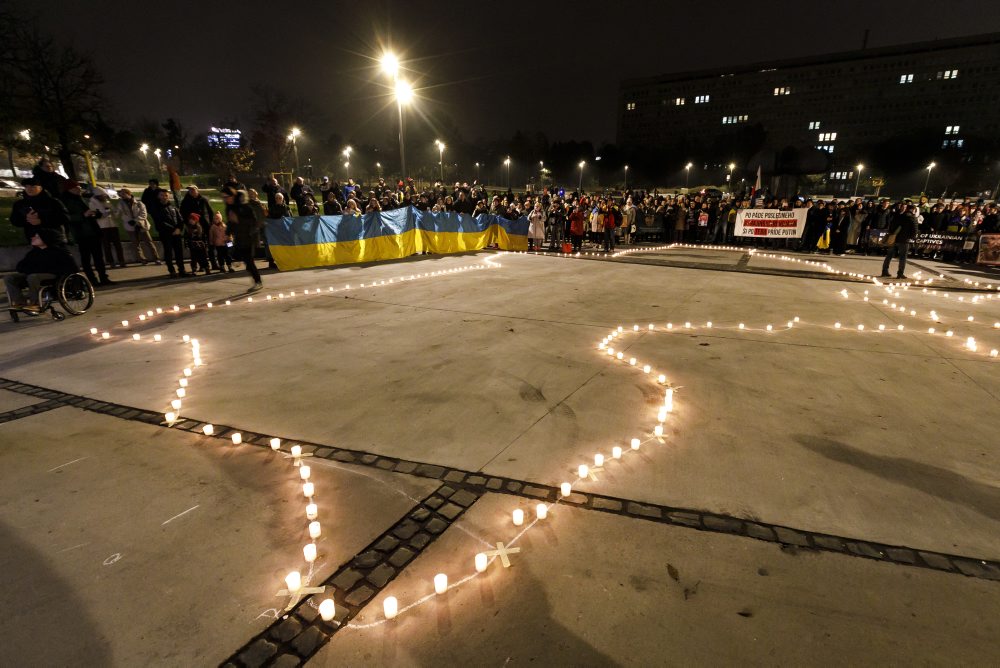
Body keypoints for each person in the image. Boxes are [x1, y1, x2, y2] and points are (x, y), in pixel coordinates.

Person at [4, 228, 79, 312]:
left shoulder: (59, 252)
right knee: (9, 278)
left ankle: (34, 303)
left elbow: (72, 268)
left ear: (46, 239)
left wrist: (34, 269)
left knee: (33, 276)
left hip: (52, 275)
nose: (33, 238)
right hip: (32, 274)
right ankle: (19, 302)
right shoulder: (33, 253)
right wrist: (30, 270)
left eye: (37, 237)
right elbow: (20, 266)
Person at [61, 181, 110, 286]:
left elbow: (91, 211)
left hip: (93, 231)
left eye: (79, 187)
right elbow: (67, 218)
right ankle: (92, 280)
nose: (79, 189)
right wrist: (83, 215)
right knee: (86, 258)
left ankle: (103, 277)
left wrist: (95, 214)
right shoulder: (66, 201)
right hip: (81, 233)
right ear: (69, 189)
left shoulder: (82, 198)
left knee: (98, 257)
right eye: (76, 187)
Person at [220, 186, 263, 291]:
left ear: (232, 196)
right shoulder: (229, 207)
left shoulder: (245, 206)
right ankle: (239, 259)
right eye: (223, 198)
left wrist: (238, 219)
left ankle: (258, 282)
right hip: (238, 237)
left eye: (226, 197)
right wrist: (227, 233)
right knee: (232, 250)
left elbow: (254, 221)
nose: (225, 199)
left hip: (249, 236)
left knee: (249, 261)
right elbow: (230, 222)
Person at [10, 177, 70, 243]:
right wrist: (28, 220)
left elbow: (65, 218)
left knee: (57, 253)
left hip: (54, 237)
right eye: (26, 186)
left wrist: (42, 221)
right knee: (39, 253)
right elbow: (14, 220)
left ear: (40, 188)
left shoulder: (53, 202)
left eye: (33, 186)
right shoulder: (20, 204)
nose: (29, 189)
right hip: (34, 238)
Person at [116, 188, 160, 265]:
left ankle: (156, 258)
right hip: (130, 227)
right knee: (135, 244)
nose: (121, 196)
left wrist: (136, 220)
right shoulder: (120, 204)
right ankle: (142, 259)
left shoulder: (139, 203)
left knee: (149, 243)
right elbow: (121, 214)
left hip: (141, 225)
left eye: (123, 194)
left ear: (128, 194)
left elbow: (144, 214)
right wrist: (129, 220)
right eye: (120, 194)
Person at [150, 189, 188, 277]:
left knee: (179, 252)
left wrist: (179, 228)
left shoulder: (173, 207)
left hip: (177, 234)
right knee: (168, 253)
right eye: (162, 195)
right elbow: (160, 223)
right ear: (158, 196)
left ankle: (182, 270)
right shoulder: (156, 209)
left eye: (166, 195)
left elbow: (180, 219)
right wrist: (173, 230)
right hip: (166, 234)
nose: (164, 197)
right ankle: (172, 271)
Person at [180, 186, 217, 270]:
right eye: (189, 190)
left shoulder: (204, 199)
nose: (191, 191)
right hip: (194, 227)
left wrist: (211, 223)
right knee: (197, 248)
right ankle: (201, 266)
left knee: (210, 246)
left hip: (205, 225)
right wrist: (188, 224)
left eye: (193, 189)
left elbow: (210, 211)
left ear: (197, 190)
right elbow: (182, 213)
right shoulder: (186, 201)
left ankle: (214, 264)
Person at [89, 186, 125, 268]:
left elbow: (114, 214)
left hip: (113, 225)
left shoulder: (107, 202)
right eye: (103, 195)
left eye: (105, 195)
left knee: (117, 244)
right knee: (106, 245)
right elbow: (97, 215)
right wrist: (107, 212)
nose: (105, 197)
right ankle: (111, 262)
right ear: (98, 195)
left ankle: (121, 260)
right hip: (103, 227)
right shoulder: (92, 203)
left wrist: (117, 211)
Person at [881, 203, 918, 279]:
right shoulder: (912, 218)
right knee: (902, 257)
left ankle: (884, 271)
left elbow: (891, 225)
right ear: (913, 210)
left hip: (894, 239)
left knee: (889, 255)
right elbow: (914, 230)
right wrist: (912, 237)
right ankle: (900, 273)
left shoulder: (898, 216)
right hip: (904, 240)